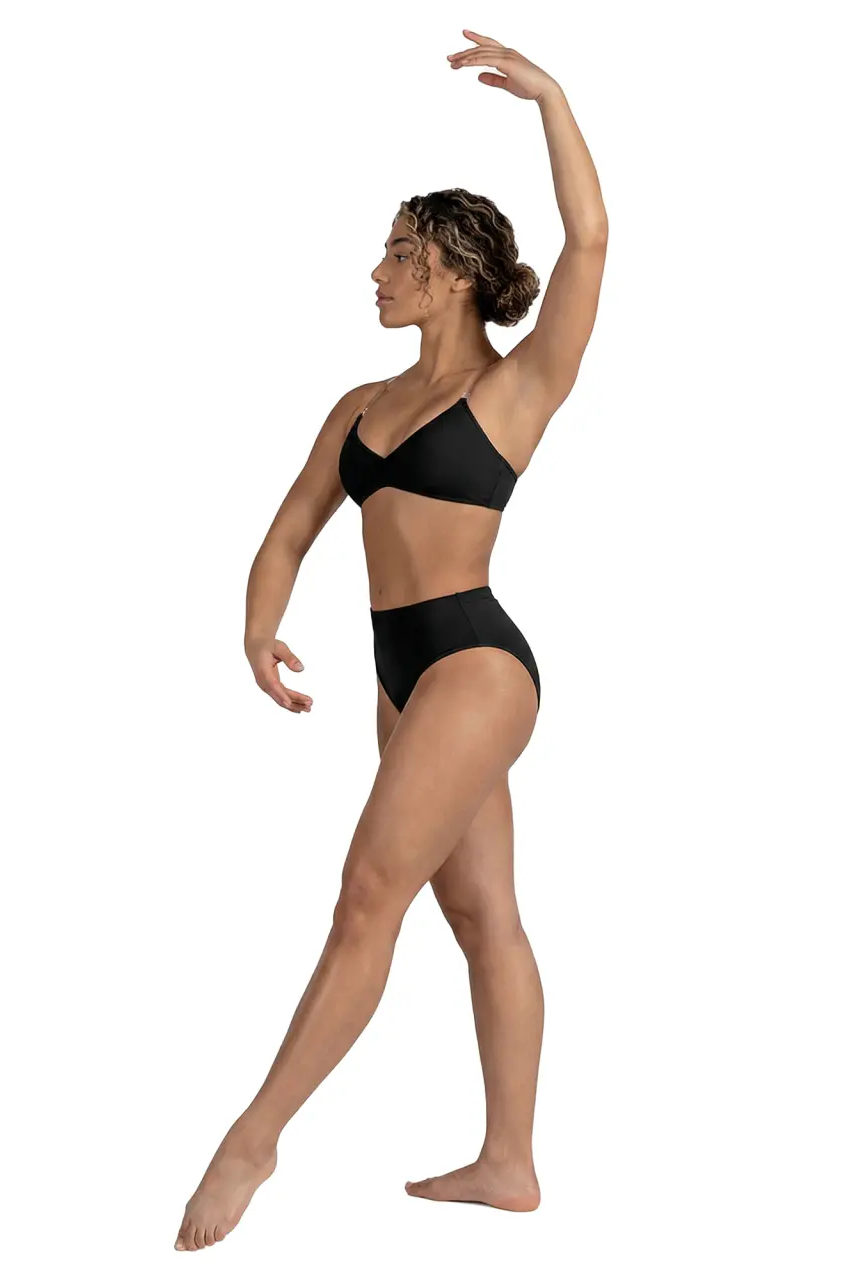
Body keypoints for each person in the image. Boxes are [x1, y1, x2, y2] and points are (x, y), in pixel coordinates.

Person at [174, 30, 607, 1252]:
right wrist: (258, 626)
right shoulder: (359, 407)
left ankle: (253, 1136)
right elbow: (289, 530)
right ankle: (509, 1162)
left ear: (454, 273)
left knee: (368, 892)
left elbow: (588, 243)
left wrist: (551, 99)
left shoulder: (515, 389)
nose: (376, 271)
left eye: (399, 254)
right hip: (398, 673)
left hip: (476, 663)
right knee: (481, 913)